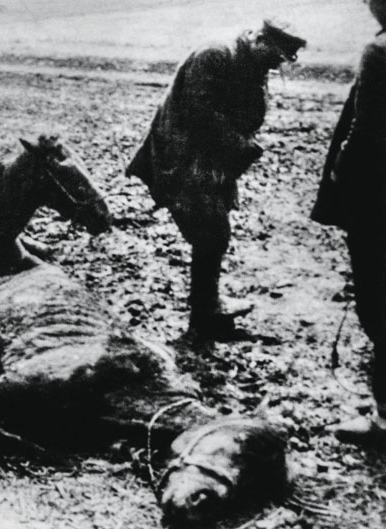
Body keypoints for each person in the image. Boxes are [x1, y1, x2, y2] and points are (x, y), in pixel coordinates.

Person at [127, 21, 306, 341]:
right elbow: (200, 113)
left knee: (213, 232)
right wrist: (243, 146)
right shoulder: (215, 55)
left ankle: (207, 311)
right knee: (211, 232)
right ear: (259, 38)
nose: (279, 63)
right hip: (182, 157)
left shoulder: (248, 63)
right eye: (277, 54)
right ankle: (205, 317)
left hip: (209, 160)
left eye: (286, 58)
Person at [313, 0, 386, 444]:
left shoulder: (379, 52)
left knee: (380, 306)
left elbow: (367, 130)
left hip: (378, 199)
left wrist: (341, 180)